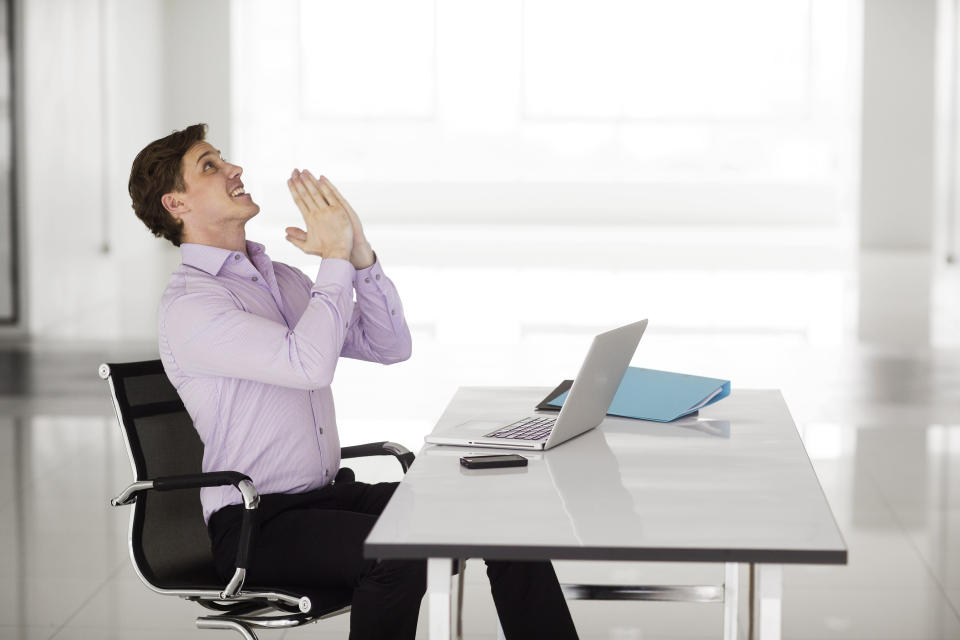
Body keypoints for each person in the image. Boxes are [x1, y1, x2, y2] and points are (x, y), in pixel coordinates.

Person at [127, 123, 579, 640]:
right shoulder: (193, 305)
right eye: (209, 165)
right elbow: (308, 365)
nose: (235, 169)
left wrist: (358, 254)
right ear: (176, 203)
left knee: (500, 519)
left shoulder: (285, 280)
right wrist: (334, 260)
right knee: (399, 554)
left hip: (323, 498)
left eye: (224, 158)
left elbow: (390, 346)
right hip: (256, 524)